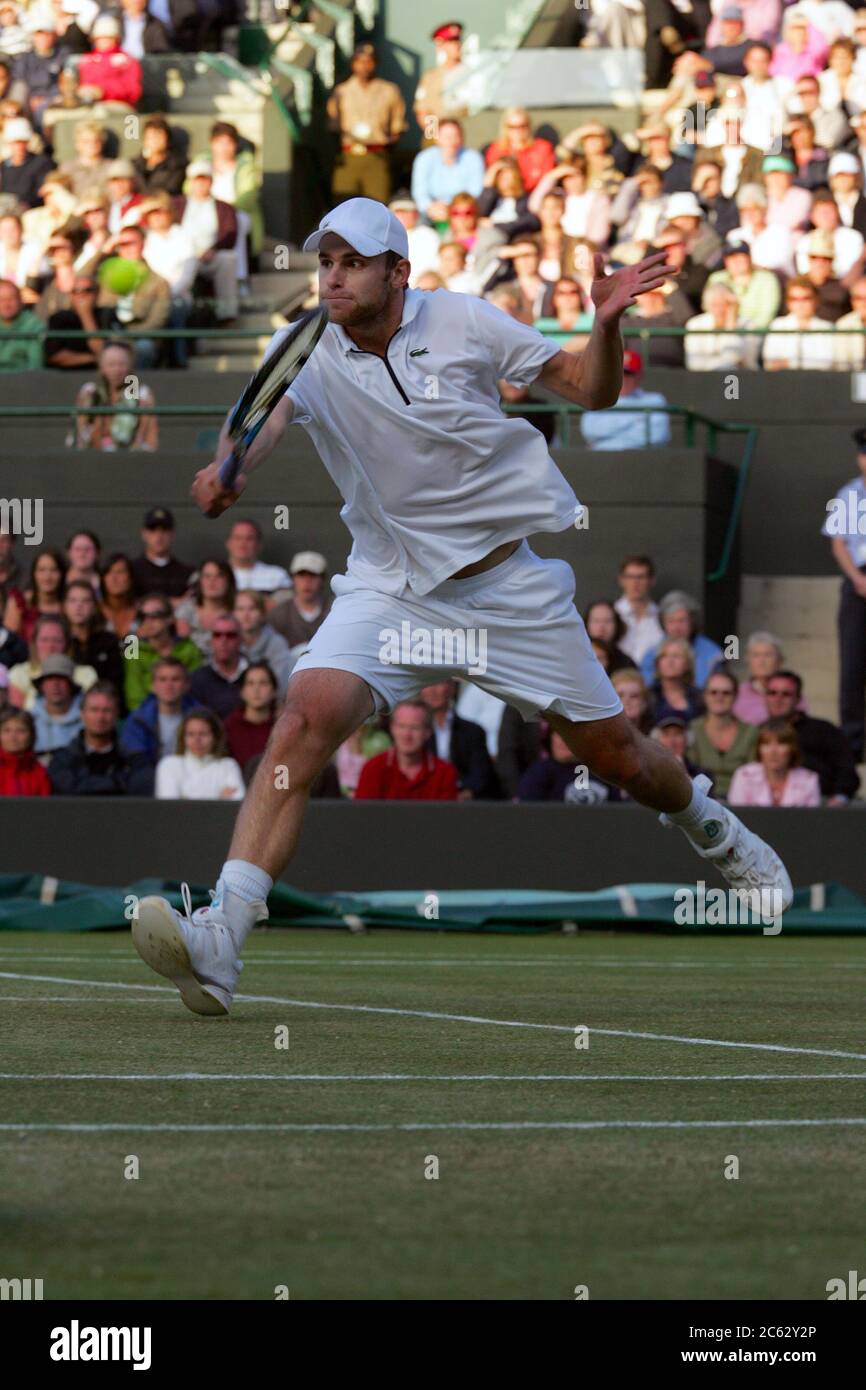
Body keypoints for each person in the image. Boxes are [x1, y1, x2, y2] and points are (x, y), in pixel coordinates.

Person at [131, 195, 792, 1017]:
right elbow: (262, 426)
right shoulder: (301, 347)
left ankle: (712, 827)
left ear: (398, 272)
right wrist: (231, 470)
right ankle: (222, 938)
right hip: (389, 588)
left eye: (352, 263)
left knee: (622, 757)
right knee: (302, 720)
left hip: (506, 592)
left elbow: (591, 391)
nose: (332, 278)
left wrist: (607, 323)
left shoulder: (469, 323)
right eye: (324, 263)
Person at [823, 426, 866, 761]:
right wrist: (857, 579)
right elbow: (839, 545)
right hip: (858, 583)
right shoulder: (848, 494)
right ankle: (853, 744)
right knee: (852, 666)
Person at [326, 43, 406, 206]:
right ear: (353, 64)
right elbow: (333, 127)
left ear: (375, 63)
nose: (365, 66)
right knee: (343, 206)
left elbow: (398, 126)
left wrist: (387, 149)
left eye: (369, 61)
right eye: (360, 61)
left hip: (377, 154)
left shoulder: (389, 90)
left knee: (377, 206)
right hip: (349, 155)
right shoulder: (342, 91)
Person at [763, 669, 860, 802]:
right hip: (765, 804)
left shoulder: (824, 730)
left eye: (786, 694)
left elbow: (847, 772)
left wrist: (840, 797)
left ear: (798, 699)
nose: (778, 699)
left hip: (822, 805)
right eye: (772, 693)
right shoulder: (758, 732)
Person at [48, 681, 153, 794]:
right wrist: (118, 783)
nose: (100, 717)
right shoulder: (62, 760)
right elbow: (67, 790)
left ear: (116, 715)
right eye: (94, 710)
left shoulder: (135, 760)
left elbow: (142, 786)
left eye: (107, 710)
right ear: (82, 714)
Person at [94, 222, 170, 370]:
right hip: (111, 336)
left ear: (143, 245)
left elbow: (157, 321)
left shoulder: (159, 283)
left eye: (131, 243)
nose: (126, 249)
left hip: (141, 338)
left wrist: (126, 337)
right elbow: (80, 280)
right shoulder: (108, 278)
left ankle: (134, 391)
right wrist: (103, 252)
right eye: (122, 244)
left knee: (143, 348)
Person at [173, 160, 238, 323]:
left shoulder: (224, 208)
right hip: (183, 256)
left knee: (228, 259)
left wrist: (212, 250)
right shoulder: (176, 204)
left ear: (211, 181)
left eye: (205, 179)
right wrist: (189, 251)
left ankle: (227, 313)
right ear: (190, 182)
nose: (201, 183)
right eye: (197, 179)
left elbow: (230, 235)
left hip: (210, 257)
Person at [355, 699, 459, 800]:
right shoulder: (373, 769)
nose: (407, 735)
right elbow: (362, 816)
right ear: (392, 728)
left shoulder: (444, 774)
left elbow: (447, 817)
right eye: (401, 726)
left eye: (415, 728)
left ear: (428, 732)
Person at [72, 339, 158, 450]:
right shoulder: (89, 393)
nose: (116, 370)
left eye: (121, 364)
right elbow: (80, 434)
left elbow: (151, 439)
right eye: (111, 365)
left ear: (130, 367)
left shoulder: (142, 394)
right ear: (102, 367)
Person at [420, 677, 497, 799]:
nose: (432, 690)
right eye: (426, 683)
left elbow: (481, 775)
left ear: (452, 688)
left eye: (438, 682)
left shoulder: (473, 732)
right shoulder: (412, 731)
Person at [579, 348, 671, 449]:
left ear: (639, 375)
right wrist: (636, 418)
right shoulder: (597, 399)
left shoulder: (655, 400)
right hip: (605, 462)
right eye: (620, 373)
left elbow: (656, 437)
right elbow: (590, 431)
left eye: (629, 374)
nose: (624, 379)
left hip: (642, 460)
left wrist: (604, 444)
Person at [123, 594, 202, 711]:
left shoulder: (188, 648)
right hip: (145, 717)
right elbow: (133, 695)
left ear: (170, 618)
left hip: (184, 713)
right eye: (143, 616)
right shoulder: (132, 647)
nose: (148, 621)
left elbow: (197, 690)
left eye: (155, 616)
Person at [688, 669, 757, 797]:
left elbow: (752, 775)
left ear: (736, 696)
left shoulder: (751, 732)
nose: (719, 697)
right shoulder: (692, 729)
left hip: (741, 802)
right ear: (705, 696)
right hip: (701, 800)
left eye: (726, 693)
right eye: (713, 692)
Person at [120, 654, 197, 765]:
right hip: (150, 779)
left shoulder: (202, 718)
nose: (169, 685)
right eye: (162, 680)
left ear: (186, 685)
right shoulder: (137, 721)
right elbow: (136, 762)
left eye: (175, 679)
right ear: (153, 685)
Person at [155, 707, 245, 800]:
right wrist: (218, 797)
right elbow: (169, 807)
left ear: (215, 737)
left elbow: (237, 803)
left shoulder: (228, 765)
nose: (197, 740)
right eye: (191, 734)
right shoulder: (169, 765)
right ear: (183, 737)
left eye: (203, 734)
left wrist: (185, 797)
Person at [728, 718, 822, 806]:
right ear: (759, 749)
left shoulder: (809, 780)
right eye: (766, 744)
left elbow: (811, 821)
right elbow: (736, 820)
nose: (773, 751)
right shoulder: (744, 776)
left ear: (792, 749)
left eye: (781, 743)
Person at [640, 590, 724, 686]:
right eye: (671, 621)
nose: (676, 628)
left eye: (682, 621)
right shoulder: (651, 655)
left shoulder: (712, 654)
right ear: (663, 624)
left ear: (693, 622)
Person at [410, 118, 484, 226]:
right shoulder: (424, 158)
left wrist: (452, 209)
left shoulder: (473, 158)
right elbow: (419, 192)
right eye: (446, 137)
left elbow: (475, 192)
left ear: (461, 138)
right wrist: (430, 207)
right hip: (431, 212)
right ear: (437, 138)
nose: (451, 141)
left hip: (463, 211)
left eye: (455, 136)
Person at [518, 726, 616, 803]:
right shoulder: (538, 773)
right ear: (550, 738)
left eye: (571, 735)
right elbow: (530, 814)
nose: (564, 741)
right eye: (559, 734)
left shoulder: (603, 771)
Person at [63, 578, 123, 700]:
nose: (79, 606)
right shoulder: (58, 640)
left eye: (85, 601)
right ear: (64, 606)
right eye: (73, 601)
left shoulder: (110, 641)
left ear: (94, 607)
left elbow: (117, 681)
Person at [762, 276, 836, 370]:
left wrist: (789, 363)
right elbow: (770, 364)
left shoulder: (827, 328)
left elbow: (826, 364)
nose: (800, 303)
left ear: (816, 300)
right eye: (794, 299)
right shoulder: (778, 325)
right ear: (788, 302)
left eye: (806, 298)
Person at [706, 238, 781, 328]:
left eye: (741, 256)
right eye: (732, 257)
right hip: (722, 328)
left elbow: (766, 315)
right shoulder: (717, 279)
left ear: (749, 258)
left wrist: (743, 332)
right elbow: (709, 308)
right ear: (726, 261)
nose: (737, 261)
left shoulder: (766, 279)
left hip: (754, 333)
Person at [413, 20, 469, 140]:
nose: (457, 45)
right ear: (440, 46)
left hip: (466, 137)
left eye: (458, 41)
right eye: (451, 42)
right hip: (437, 139)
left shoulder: (471, 73)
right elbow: (423, 111)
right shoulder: (430, 77)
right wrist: (435, 136)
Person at [233, 589, 294, 697]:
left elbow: (281, 685)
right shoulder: (227, 640)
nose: (246, 615)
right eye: (240, 609)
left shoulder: (277, 644)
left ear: (262, 613)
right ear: (233, 613)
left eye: (252, 609)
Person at [223, 661, 278, 775]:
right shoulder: (228, 728)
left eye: (263, 683)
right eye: (250, 683)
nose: (256, 690)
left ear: (274, 691)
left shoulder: (283, 727)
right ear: (242, 691)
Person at [188, 614, 247, 720]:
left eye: (230, 635)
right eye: (217, 635)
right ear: (211, 640)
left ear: (241, 639)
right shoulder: (197, 679)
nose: (223, 641)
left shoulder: (255, 675)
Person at [685, 280, 755, 369]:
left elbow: (748, 364)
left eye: (726, 304)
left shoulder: (747, 324)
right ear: (706, 305)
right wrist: (727, 363)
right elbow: (695, 365)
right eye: (715, 305)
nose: (720, 309)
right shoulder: (695, 324)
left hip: (738, 380)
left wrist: (731, 325)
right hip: (704, 380)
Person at [484, 107, 555, 195]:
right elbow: (491, 182)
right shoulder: (496, 149)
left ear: (529, 126)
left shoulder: (542, 148)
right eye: (512, 127)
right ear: (505, 128)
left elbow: (547, 179)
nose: (518, 131)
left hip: (534, 197)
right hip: (503, 197)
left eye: (522, 126)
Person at [129, 506, 193, 602]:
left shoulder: (186, 573)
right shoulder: (131, 570)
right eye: (153, 530)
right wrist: (174, 602)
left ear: (172, 534)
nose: (159, 536)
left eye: (164, 530)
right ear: (144, 534)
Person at [173, 558, 236, 655]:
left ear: (229, 581)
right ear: (200, 581)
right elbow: (184, 649)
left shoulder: (238, 610)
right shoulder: (186, 610)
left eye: (219, 576)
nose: (212, 582)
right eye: (207, 576)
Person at [77, 13, 142, 106]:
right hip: (90, 105)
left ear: (116, 39)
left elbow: (133, 92)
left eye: (107, 38)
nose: (103, 41)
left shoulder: (127, 60)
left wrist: (104, 92)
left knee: (101, 112)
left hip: (119, 105)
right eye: (100, 38)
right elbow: (84, 84)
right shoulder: (88, 60)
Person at [614, 553, 665, 663]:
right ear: (621, 580)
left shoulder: (662, 617)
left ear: (652, 581)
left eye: (641, 577)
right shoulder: (612, 614)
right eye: (630, 577)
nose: (635, 582)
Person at [30, 652, 84, 754]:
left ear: (71, 685)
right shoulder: (29, 721)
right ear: (41, 686)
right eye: (50, 679)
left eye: (61, 679)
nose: (55, 684)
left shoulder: (88, 719)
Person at [224, 519, 291, 600]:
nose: (243, 543)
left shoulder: (277, 576)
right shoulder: (214, 576)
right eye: (238, 538)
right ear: (228, 543)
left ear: (259, 545)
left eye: (249, 538)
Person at [0, 116, 53, 209]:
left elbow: (40, 193)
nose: (19, 146)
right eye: (15, 142)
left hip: (31, 211)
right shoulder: (3, 166)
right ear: (9, 143)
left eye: (23, 142)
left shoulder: (41, 163)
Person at [647, 636, 704, 723]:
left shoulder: (699, 698)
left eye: (676, 656)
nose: (670, 661)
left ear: (688, 664)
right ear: (658, 663)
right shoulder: (648, 696)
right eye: (664, 656)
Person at [388, 195, 440, 286]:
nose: (403, 215)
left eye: (407, 211)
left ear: (416, 214)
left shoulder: (429, 236)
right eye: (399, 211)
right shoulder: (385, 237)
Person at [733, 630, 785, 722]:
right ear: (747, 660)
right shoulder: (736, 694)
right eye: (756, 655)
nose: (762, 661)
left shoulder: (789, 693)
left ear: (780, 660)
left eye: (768, 655)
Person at [335, 715, 391, 798]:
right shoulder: (338, 738)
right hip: (337, 795)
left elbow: (378, 773)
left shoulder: (381, 739)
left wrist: (356, 750)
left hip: (368, 795)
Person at [0, 706, 51, 794]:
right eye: (6, 730)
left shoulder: (39, 772)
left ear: (31, 735)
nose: (13, 737)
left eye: (21, 731)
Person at [132, 115, 186, 195]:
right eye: (151, 137)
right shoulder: (134, 165)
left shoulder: (177, 165)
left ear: (168, 139)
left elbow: (172, 189)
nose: (155, 141)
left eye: (159, 136)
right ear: (144, 140)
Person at [0, 276, 42, 370]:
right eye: (1, 299)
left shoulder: (33, 325)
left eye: (11, 299)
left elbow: (35, 365)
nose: (6, 304)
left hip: (21, 381)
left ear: (20, 301)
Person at [582, 599, 635, 672]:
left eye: (607, 621)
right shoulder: (576, 657)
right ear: (586, 624)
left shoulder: (626, 664)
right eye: (596, 621)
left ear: (617, 625)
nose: (601, 627)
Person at [99, 551, 137, 638]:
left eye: (120, 572)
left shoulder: (142, 612)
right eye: (109, 572)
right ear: (103, 579)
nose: (114, 578)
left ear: (130, 578)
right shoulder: (94, 612)